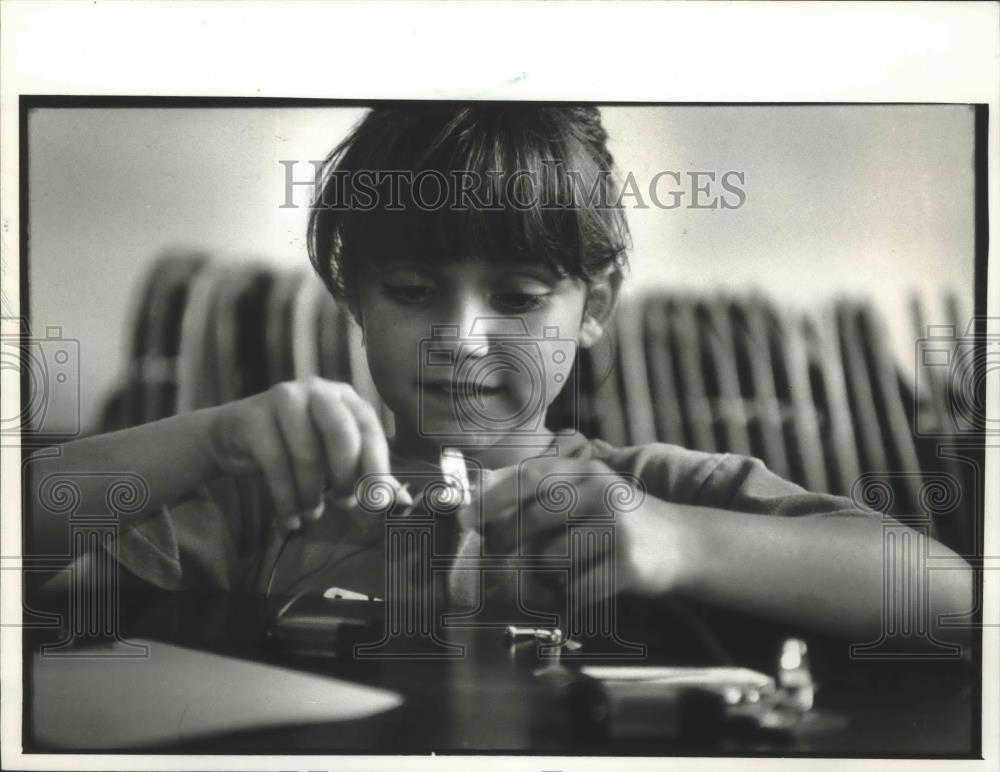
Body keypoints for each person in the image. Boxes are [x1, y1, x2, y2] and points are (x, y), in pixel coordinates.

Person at [29, 105, 971, 651]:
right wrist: (209, 439)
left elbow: (954, 594)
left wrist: (683, 542)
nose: (462, 339)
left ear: (594, 306)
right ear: (353, 295)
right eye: (409, 290)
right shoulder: (269, 501)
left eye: (520, 297)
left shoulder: (656, 492)